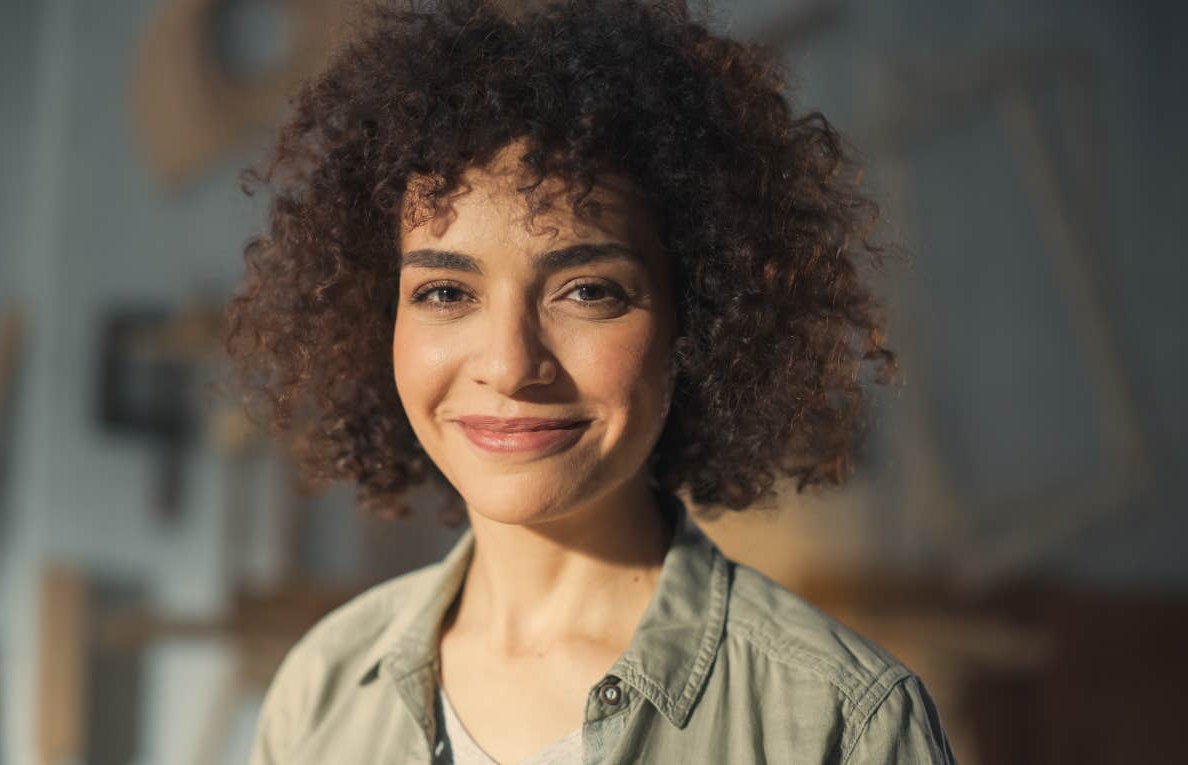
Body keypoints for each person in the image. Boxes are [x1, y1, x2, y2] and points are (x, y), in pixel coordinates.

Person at [227, 0, 956, 762]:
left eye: (587, 291)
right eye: (446, 293)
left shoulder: (842, 723)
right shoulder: (323, 691)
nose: (509, 365)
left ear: (698, 318)